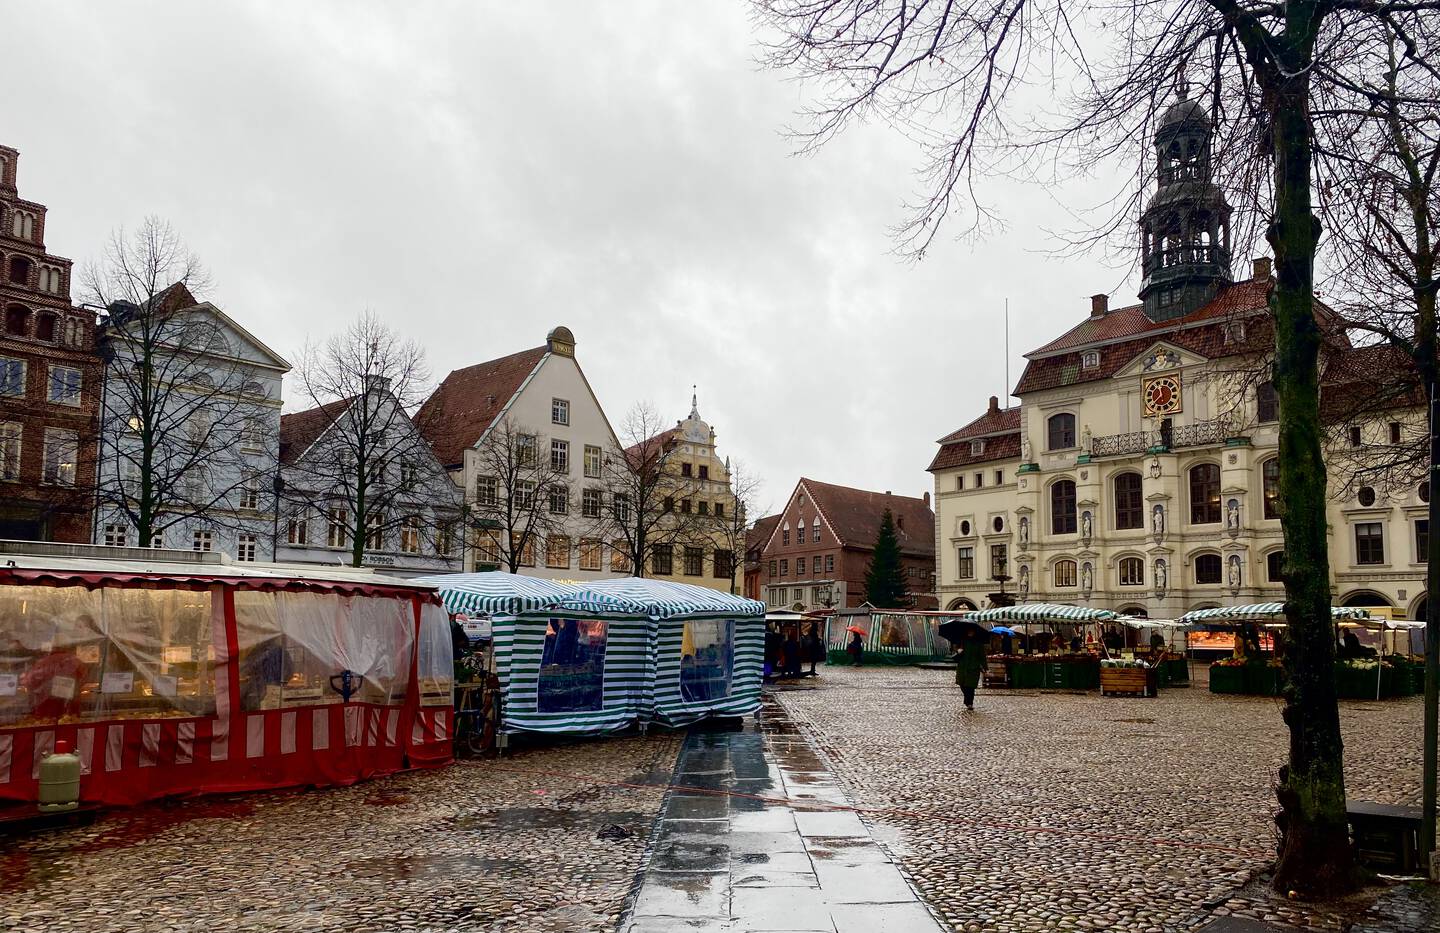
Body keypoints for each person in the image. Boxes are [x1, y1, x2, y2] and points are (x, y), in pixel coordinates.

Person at [955, 627, 987, 711]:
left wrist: (985, 668)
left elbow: (982, 657)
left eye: (972, 631)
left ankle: (970, 703)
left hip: (973, 668)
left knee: (971, 686)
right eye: (969, 631)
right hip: (962, 667)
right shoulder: (962, 641)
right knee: (962, 684)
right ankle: (967, 700)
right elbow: (955, 649)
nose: (970, 633)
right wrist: (958, 651)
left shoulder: (979, 644)